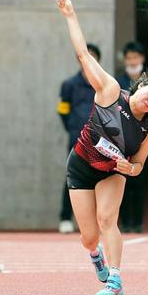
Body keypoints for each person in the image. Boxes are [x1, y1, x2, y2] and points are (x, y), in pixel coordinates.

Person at [56, 0, 148, 295]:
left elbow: (138, 165)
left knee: (108, 220)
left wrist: (130, 168)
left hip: (112, 172)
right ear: (141, 86)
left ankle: (115, 280)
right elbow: (84, 55)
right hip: (81, 166)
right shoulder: (111, 90)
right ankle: (94, 255)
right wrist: (71, 15)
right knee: (88, 237)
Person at [57, 43, 101, 233]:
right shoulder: (69, 85)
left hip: (101, 142)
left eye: (92, 56)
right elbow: (63, 110)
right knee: (72, 177)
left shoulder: (103, 83)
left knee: (100, 179)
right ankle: (66, 217)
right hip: (77, 139)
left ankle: (98, 221)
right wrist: (73, 127)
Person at [117, 41, 146, 232]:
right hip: (121, 140)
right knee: (122, 182)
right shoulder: (117, 81)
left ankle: (138, 222)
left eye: (135, 57)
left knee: (139, 181)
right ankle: (125, 223)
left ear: (142, 59)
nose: (132, 61)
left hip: (142, 138)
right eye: (129, 57)